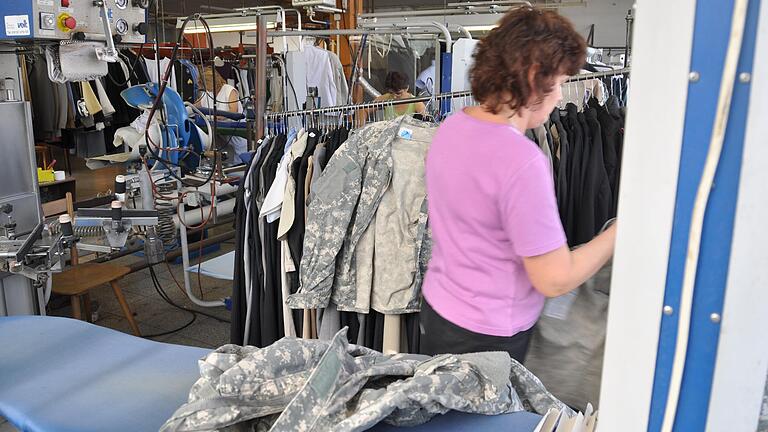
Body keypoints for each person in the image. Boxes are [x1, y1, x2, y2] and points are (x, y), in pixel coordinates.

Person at [419, 7, 617, 362]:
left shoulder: (452, 127)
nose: (560, 96)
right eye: (557, 82)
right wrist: (618, 233)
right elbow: (554, 279)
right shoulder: (521, 161)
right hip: (488, 336)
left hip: (439, 309)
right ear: (532, 77)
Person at [196, 67, 249, 164]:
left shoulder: (229, 90)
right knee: (222, 158)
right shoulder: (207, 93)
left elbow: (233, 112)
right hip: (217, 132)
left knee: (239, 161)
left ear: (212, 81)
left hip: (235, 131)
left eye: (206, 84)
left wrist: (218, 117)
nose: (205, 87)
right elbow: (194, 107)